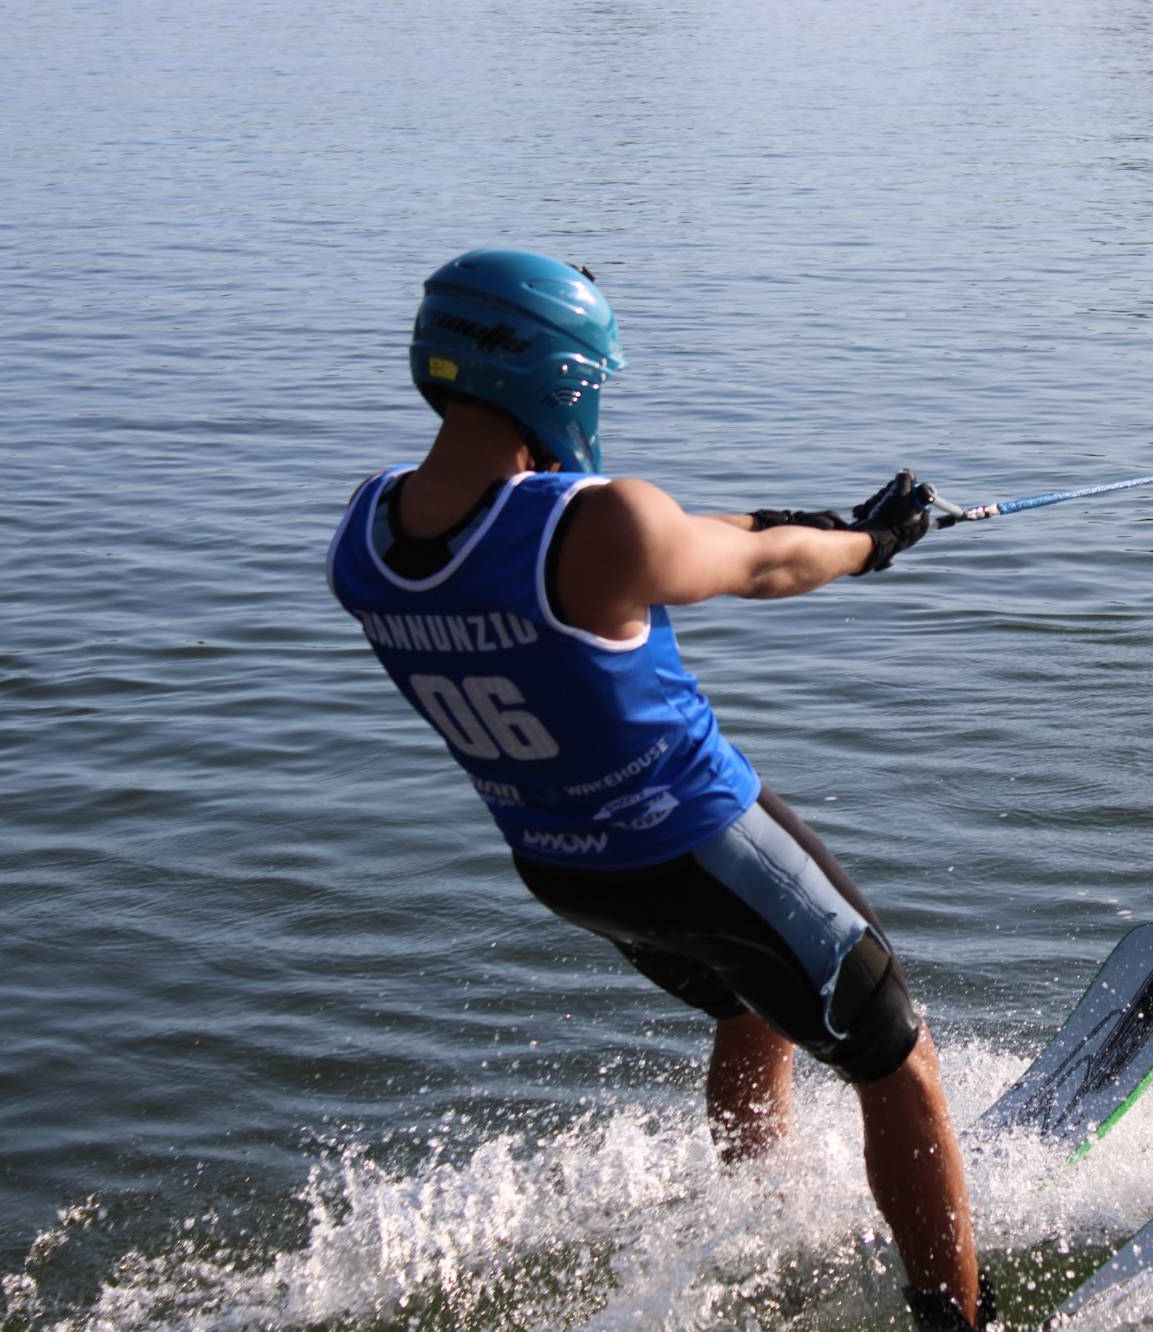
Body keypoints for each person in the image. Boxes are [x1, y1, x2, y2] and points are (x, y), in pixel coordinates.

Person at [325, 249, 993, 1330]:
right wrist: (870, 544)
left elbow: (653, 539)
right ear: (557, 375)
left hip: (570, 871)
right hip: (704, 845)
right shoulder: (597, 527)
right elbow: (761, 568)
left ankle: (760, 1218)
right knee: (896, 1057)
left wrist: (793, 515)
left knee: (745, 1005)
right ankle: (958, 1322)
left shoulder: (363, 541)